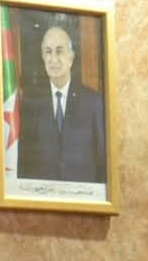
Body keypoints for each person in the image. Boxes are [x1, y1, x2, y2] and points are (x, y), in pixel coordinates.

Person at [15, 21, 107, 184]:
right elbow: (25, 162)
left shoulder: (93, 103)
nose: (53, 59)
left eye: (59, 51)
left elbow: (103, 162)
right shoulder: (31, 103)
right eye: (48, 52)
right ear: (43, 57)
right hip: (44, 195)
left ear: (71, 56)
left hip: (84, 196)